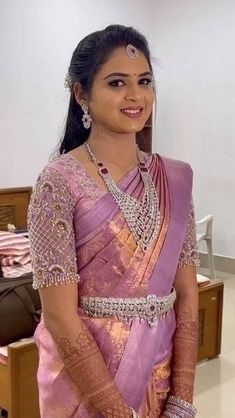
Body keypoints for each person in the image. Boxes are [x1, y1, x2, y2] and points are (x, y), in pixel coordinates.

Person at [28, 24, 199, 418]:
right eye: (117, 82)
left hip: (162, 370)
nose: (136, 95)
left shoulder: (174, 179)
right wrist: (117, 412)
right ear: (81, 93)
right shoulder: (58, 182)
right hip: (86, 384)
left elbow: (187, 295)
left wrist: (182, 398)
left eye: (144, 81)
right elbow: (58, 315)